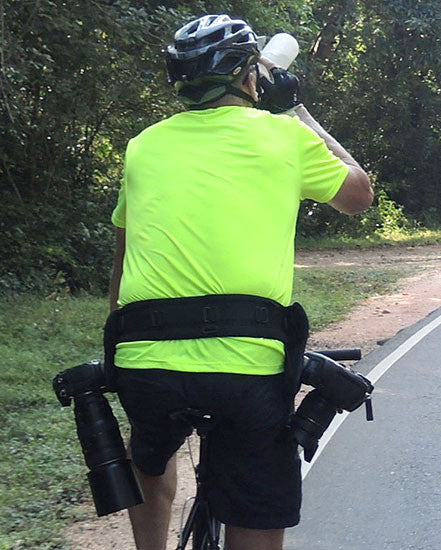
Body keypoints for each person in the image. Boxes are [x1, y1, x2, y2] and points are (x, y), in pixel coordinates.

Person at [107, 14, 374, 550]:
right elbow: (359, 194)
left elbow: (121, 262)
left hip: (145, 361)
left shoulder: (142, 146)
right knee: (256, 496)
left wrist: (119, 353)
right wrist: (295, 109)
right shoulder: (283, 135)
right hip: (247, 368)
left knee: (149, 459)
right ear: (252, 78)